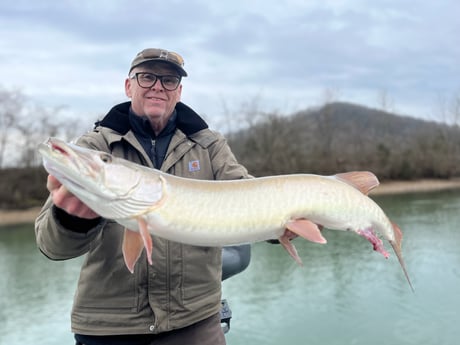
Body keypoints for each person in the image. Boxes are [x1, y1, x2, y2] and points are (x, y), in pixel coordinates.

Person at [35, 48, 251, 345]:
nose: (158, 86)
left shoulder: (210, 145)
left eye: (169, 80)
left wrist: (286, 224)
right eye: (147, 77)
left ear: (179, 92)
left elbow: (249, 197)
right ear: (129, 86)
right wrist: (71, 220)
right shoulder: (96, 145)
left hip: (195, 321)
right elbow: (51, 246)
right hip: (110, 327)